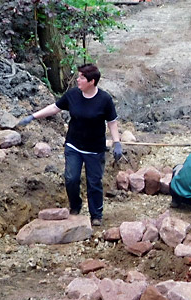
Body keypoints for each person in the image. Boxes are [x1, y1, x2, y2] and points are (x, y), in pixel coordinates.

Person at [17, 65, 122, 226]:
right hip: (73, 145)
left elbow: (112, 122)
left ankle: (96, 214)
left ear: (92, 81)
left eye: (81, 78)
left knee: (94, 182)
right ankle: (75, 206)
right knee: (71, 178)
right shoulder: (73, 95)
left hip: (94, 149)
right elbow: (55, 107)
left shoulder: (104, 100)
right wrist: (33, 116)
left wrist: (117, 143)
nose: (77, 80)